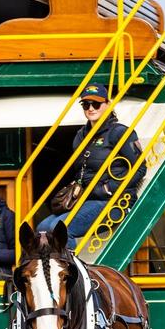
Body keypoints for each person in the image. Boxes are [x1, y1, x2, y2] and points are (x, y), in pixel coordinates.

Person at [37, 83, 145, 249]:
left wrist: (109, 188)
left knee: (60, 229)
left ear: (108, 104)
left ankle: (72, 273)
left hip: (114, 201)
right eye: (86, 104)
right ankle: (48, 272)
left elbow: (140, 167)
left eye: (96, 104)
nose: (91, 108)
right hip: (86, 200)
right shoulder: (81, 135)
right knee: (42, 229)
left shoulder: (119, 132)